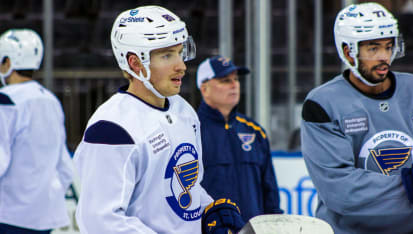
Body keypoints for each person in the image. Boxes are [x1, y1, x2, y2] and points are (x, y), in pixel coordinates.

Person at [73, 6, 244, 234]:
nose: (181, 66)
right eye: (166, 55)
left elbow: (187, 188)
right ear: (135, 63)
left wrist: (208, 209)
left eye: (180, 52)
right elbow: (99, 221)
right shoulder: (112, 128)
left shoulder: (183, 111)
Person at [301, 2, 413, 234]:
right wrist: (409, 184)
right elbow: (343, 193)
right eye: (373, 49)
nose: (384, 57)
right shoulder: (323, 104)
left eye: (388, 46)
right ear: (348, 52)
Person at [0, 29, 73, 233]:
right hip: (44, 216)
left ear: (8, 62)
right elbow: (65, 166)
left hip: (8, 214)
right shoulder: (51, 100)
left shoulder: (5, 100)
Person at [196, 55, 284, 222]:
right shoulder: (190, 130)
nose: (234, 85)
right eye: (225, 80)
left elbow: (269, 189)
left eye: (236, 79)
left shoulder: (255, 131)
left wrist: (275, 223)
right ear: (204, 88)